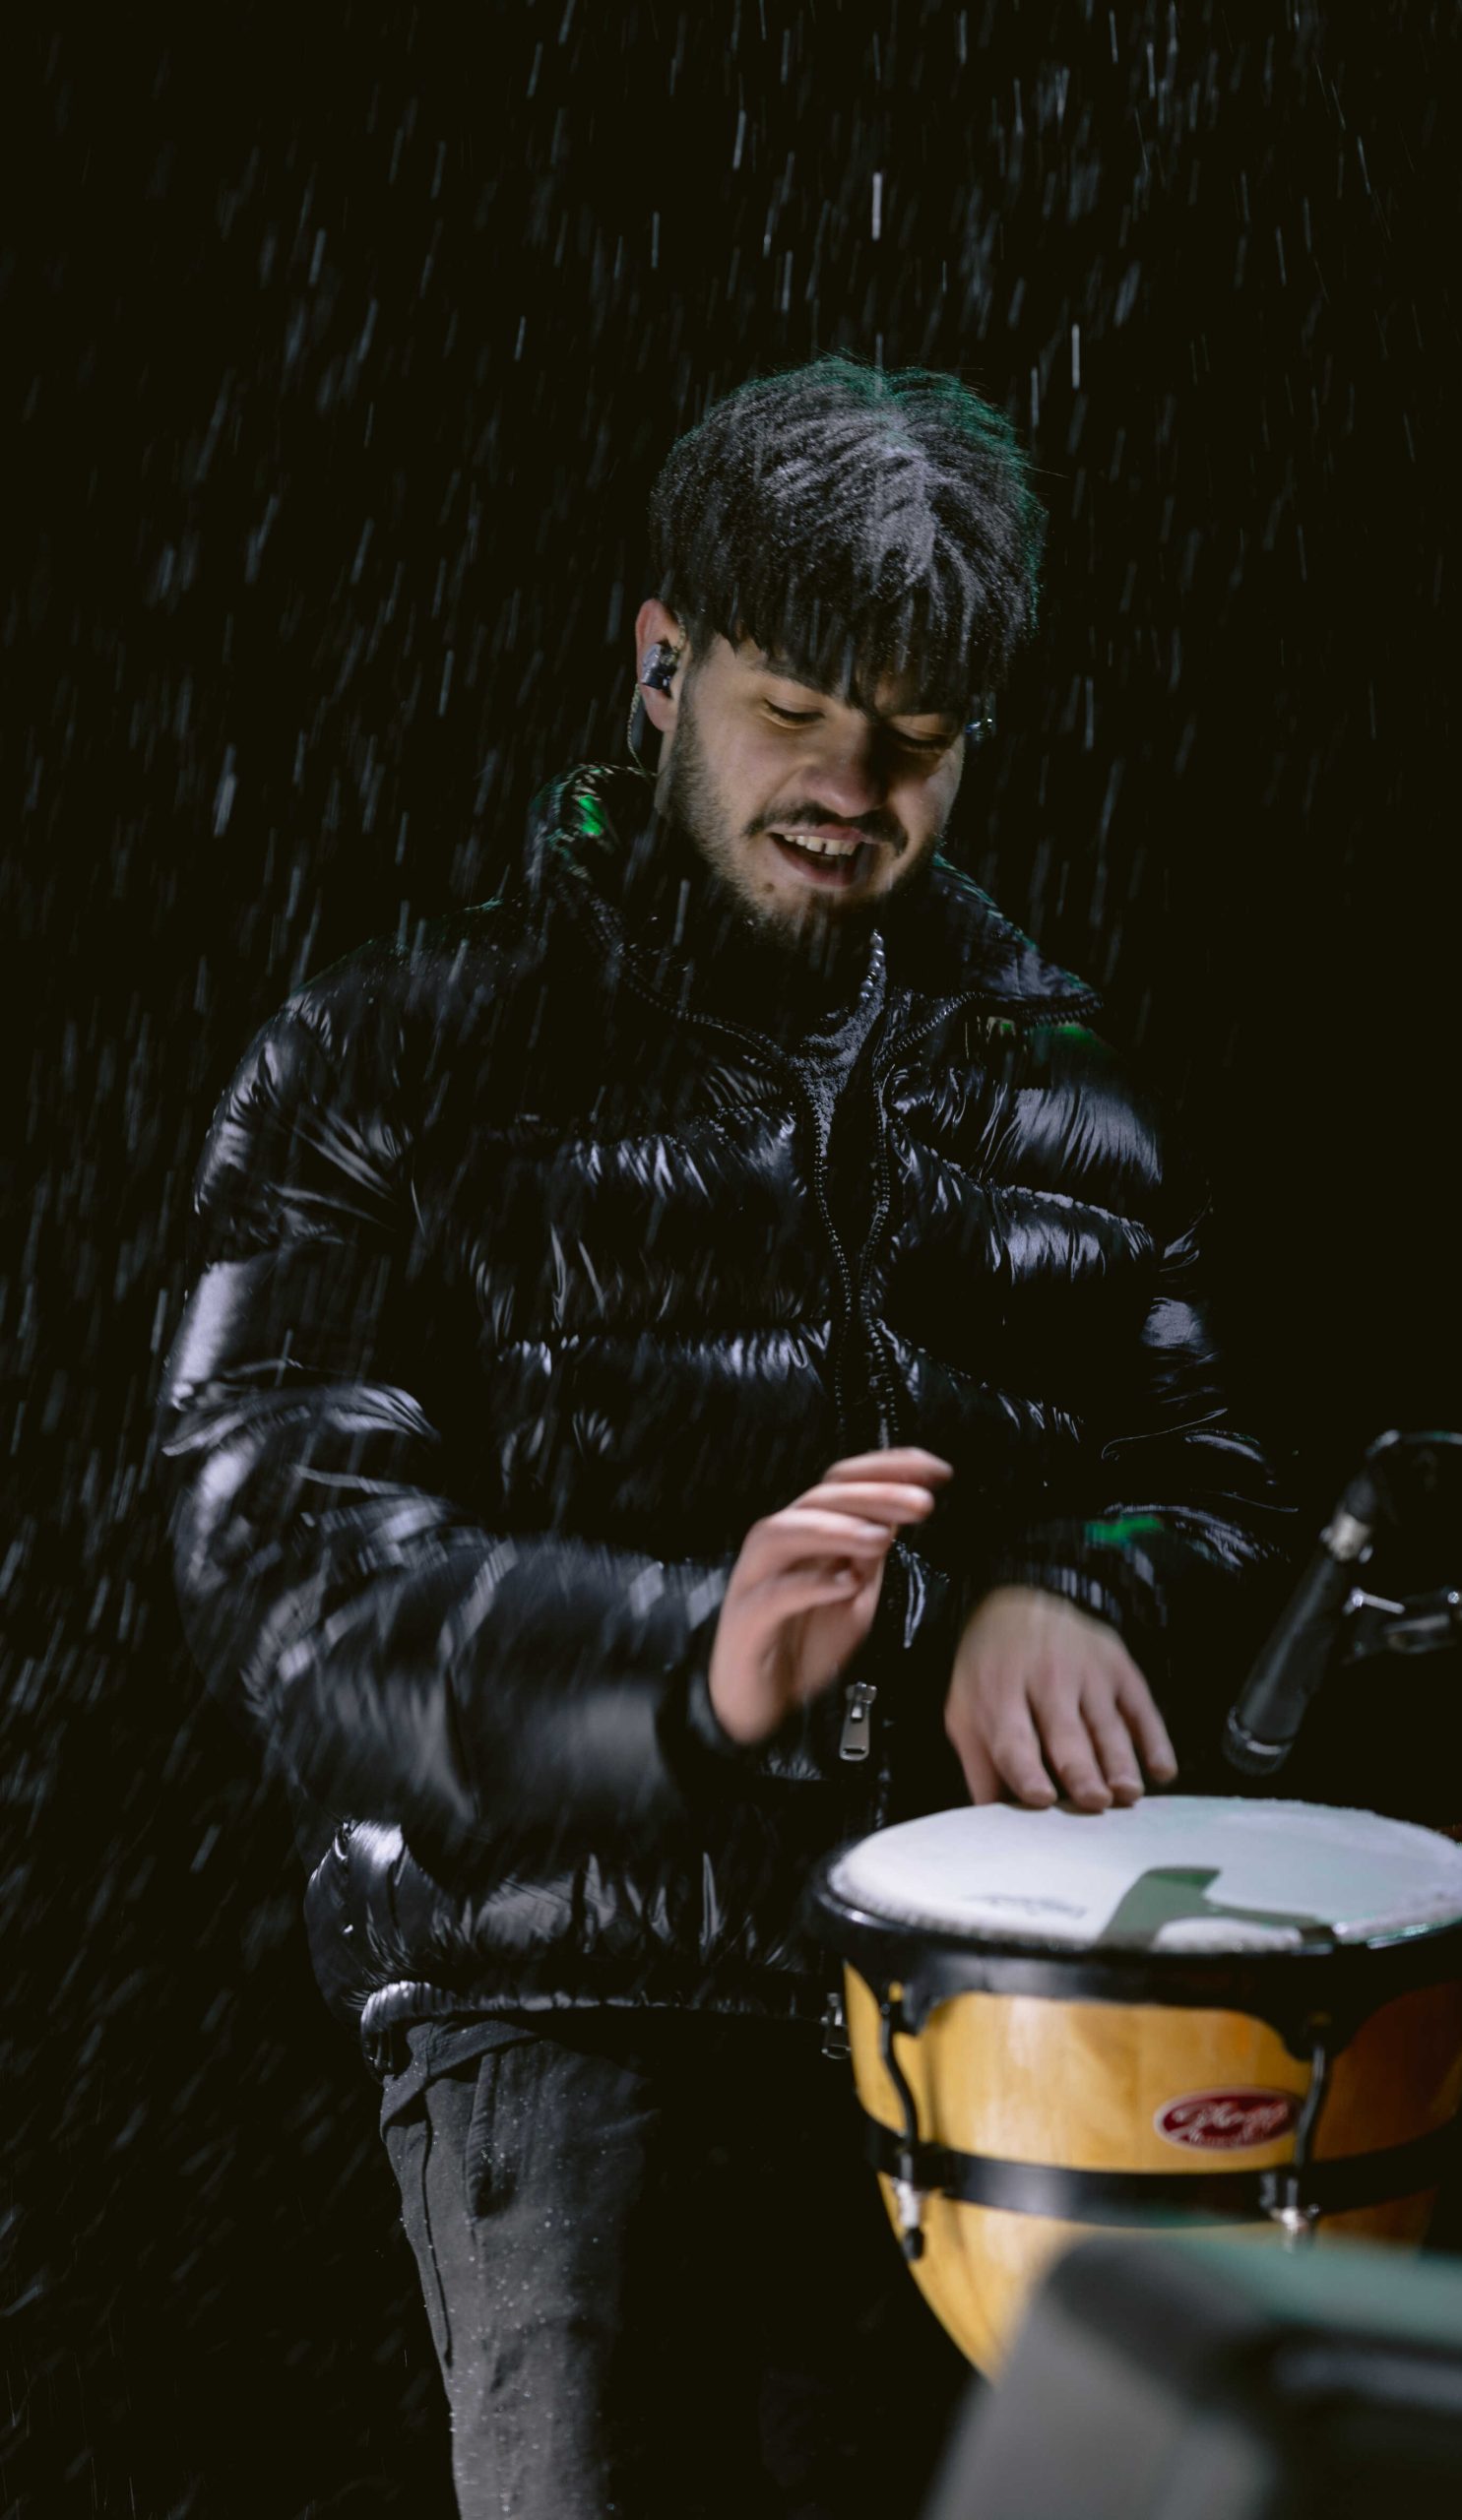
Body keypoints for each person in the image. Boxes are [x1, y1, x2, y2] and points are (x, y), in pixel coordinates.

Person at [157, 354, 1291, 2519]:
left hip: (994, 2035)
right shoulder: (395, 1059)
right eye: (797, 711)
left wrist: (1069, 1589)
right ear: (661, 661)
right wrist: (690, 1659)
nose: (853, 788)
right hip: (571, 2018)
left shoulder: (1060, 1086)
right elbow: (277, 1570)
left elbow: (1213, 1485)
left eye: (917, 739)